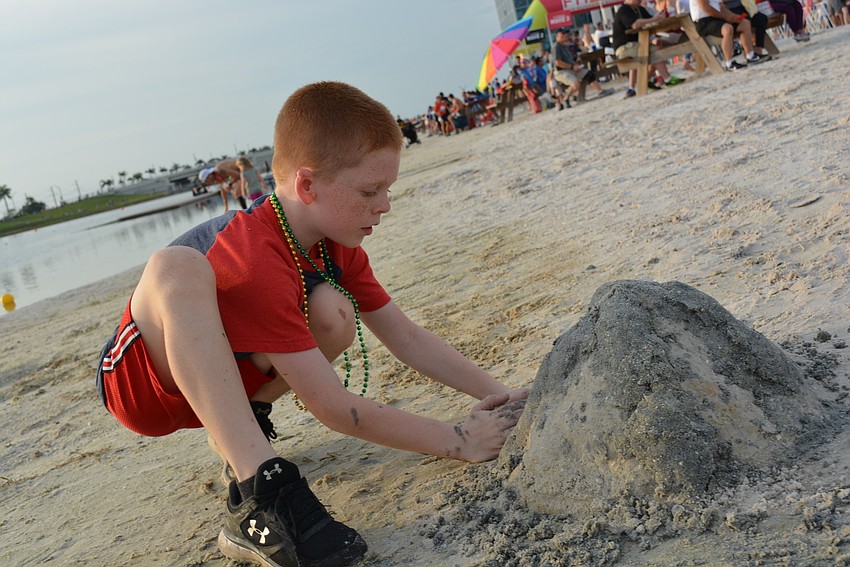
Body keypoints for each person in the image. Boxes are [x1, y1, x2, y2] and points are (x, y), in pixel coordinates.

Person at [95, 81, 528, 567]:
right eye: (370, 190)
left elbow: (407, 337)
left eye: (388, 189)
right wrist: (459, 441)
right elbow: (332, 406)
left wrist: (507, 396)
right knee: (177, 264)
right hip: (145, 385)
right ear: (306, 185)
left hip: (224, 376)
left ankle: (244, 425)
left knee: (332, 310)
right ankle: (257, 491)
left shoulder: (334, 247)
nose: (384, 204)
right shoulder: (254, 253)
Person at [613, 0, 687, 98]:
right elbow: (635, 24)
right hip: (623, 47)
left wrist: (659, 18)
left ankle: (634, 87)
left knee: (647, 49)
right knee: (650, 49)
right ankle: (666, 79)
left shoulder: (639, 9)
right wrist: (654, 19)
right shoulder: (624, 10)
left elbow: (652, 19)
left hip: (635, 44)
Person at [690, 0, 771, 69]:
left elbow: (722, 7)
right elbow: (706, 9)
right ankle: (729, 62)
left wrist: (733, 16)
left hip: (716, 18)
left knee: (744, 22)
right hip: (703, 21)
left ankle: (750, 55)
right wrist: (726, 17)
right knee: (727, 29)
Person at [553, 28, 614, 106]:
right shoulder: (556, 47)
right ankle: (566, 98)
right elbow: (557, 62)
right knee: (576, 84)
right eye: (562, 34)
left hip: (571, 68)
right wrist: (572, 67)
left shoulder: (564, 46)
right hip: (561, 71)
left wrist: (576, 62)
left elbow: (569, 59)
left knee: (589, 74)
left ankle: (600, 91)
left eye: (565, 34)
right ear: (557, 36)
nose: (565, 36)